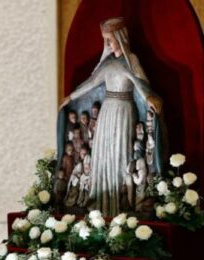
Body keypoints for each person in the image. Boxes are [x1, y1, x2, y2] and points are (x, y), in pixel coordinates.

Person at [60, 17, 163, 216]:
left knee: (120, 152)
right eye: (105, 40)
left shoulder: (131, 60)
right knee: (104, 152)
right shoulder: (107, 64)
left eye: (110, 39)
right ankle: (101, 204)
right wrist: (70, 97)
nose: (107, 44)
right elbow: (91, 83)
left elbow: (140, 83)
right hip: (107, 111)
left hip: (124, 110)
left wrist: (149, 97)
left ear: (120, 37)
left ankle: (121, 204)